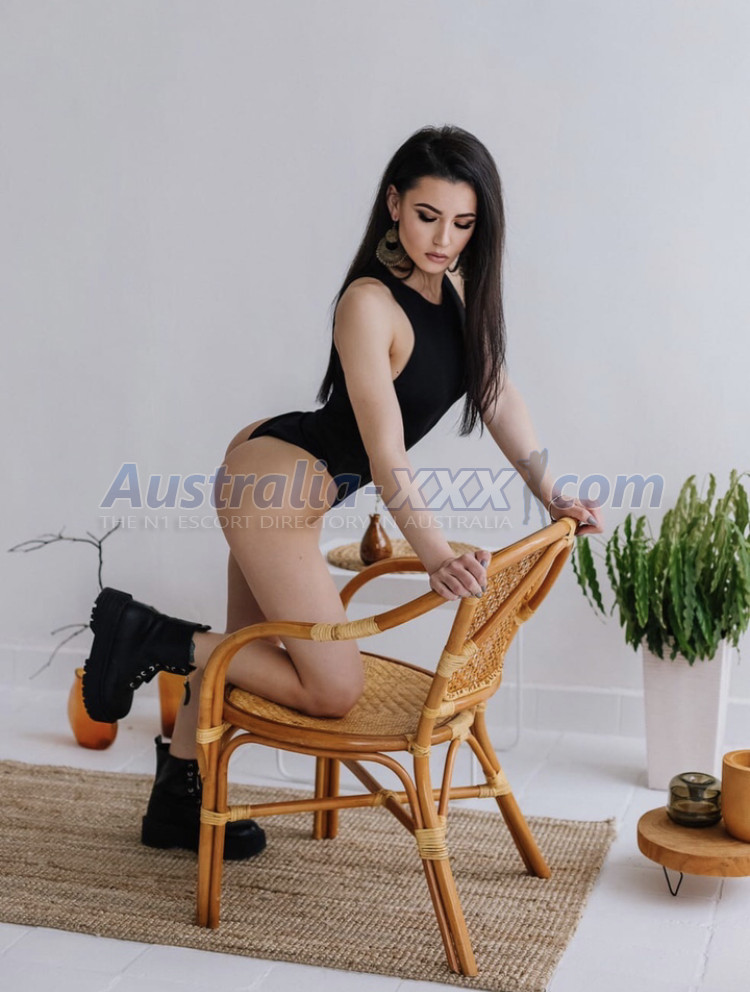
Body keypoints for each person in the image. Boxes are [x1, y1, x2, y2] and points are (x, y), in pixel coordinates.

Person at [82, 124, 603, 861]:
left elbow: (496, 395)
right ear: (393, 203)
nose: (444, 240)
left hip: (301, 485)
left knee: (246, 659)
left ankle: (176, 800)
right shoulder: (368, 302)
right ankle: (147, 634)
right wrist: (433, 554)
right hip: (273, 484)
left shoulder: (458, 289)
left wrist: (555, 494)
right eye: (427, 216)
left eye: (463, 223)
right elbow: (386, 454)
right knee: (331, 690)